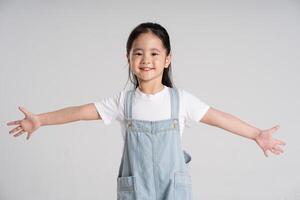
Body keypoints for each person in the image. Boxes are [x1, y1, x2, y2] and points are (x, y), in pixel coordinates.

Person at [7, 22, 286, 200]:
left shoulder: (180, 100)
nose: (146, 59)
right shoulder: (123, 102)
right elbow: (79, 111)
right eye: (138, 52)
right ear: (128, 58)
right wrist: (40, 120)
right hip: (135, 190)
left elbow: (219, 118)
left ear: (167, 59)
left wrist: (256, 134)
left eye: (154, 53)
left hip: (173, 191)